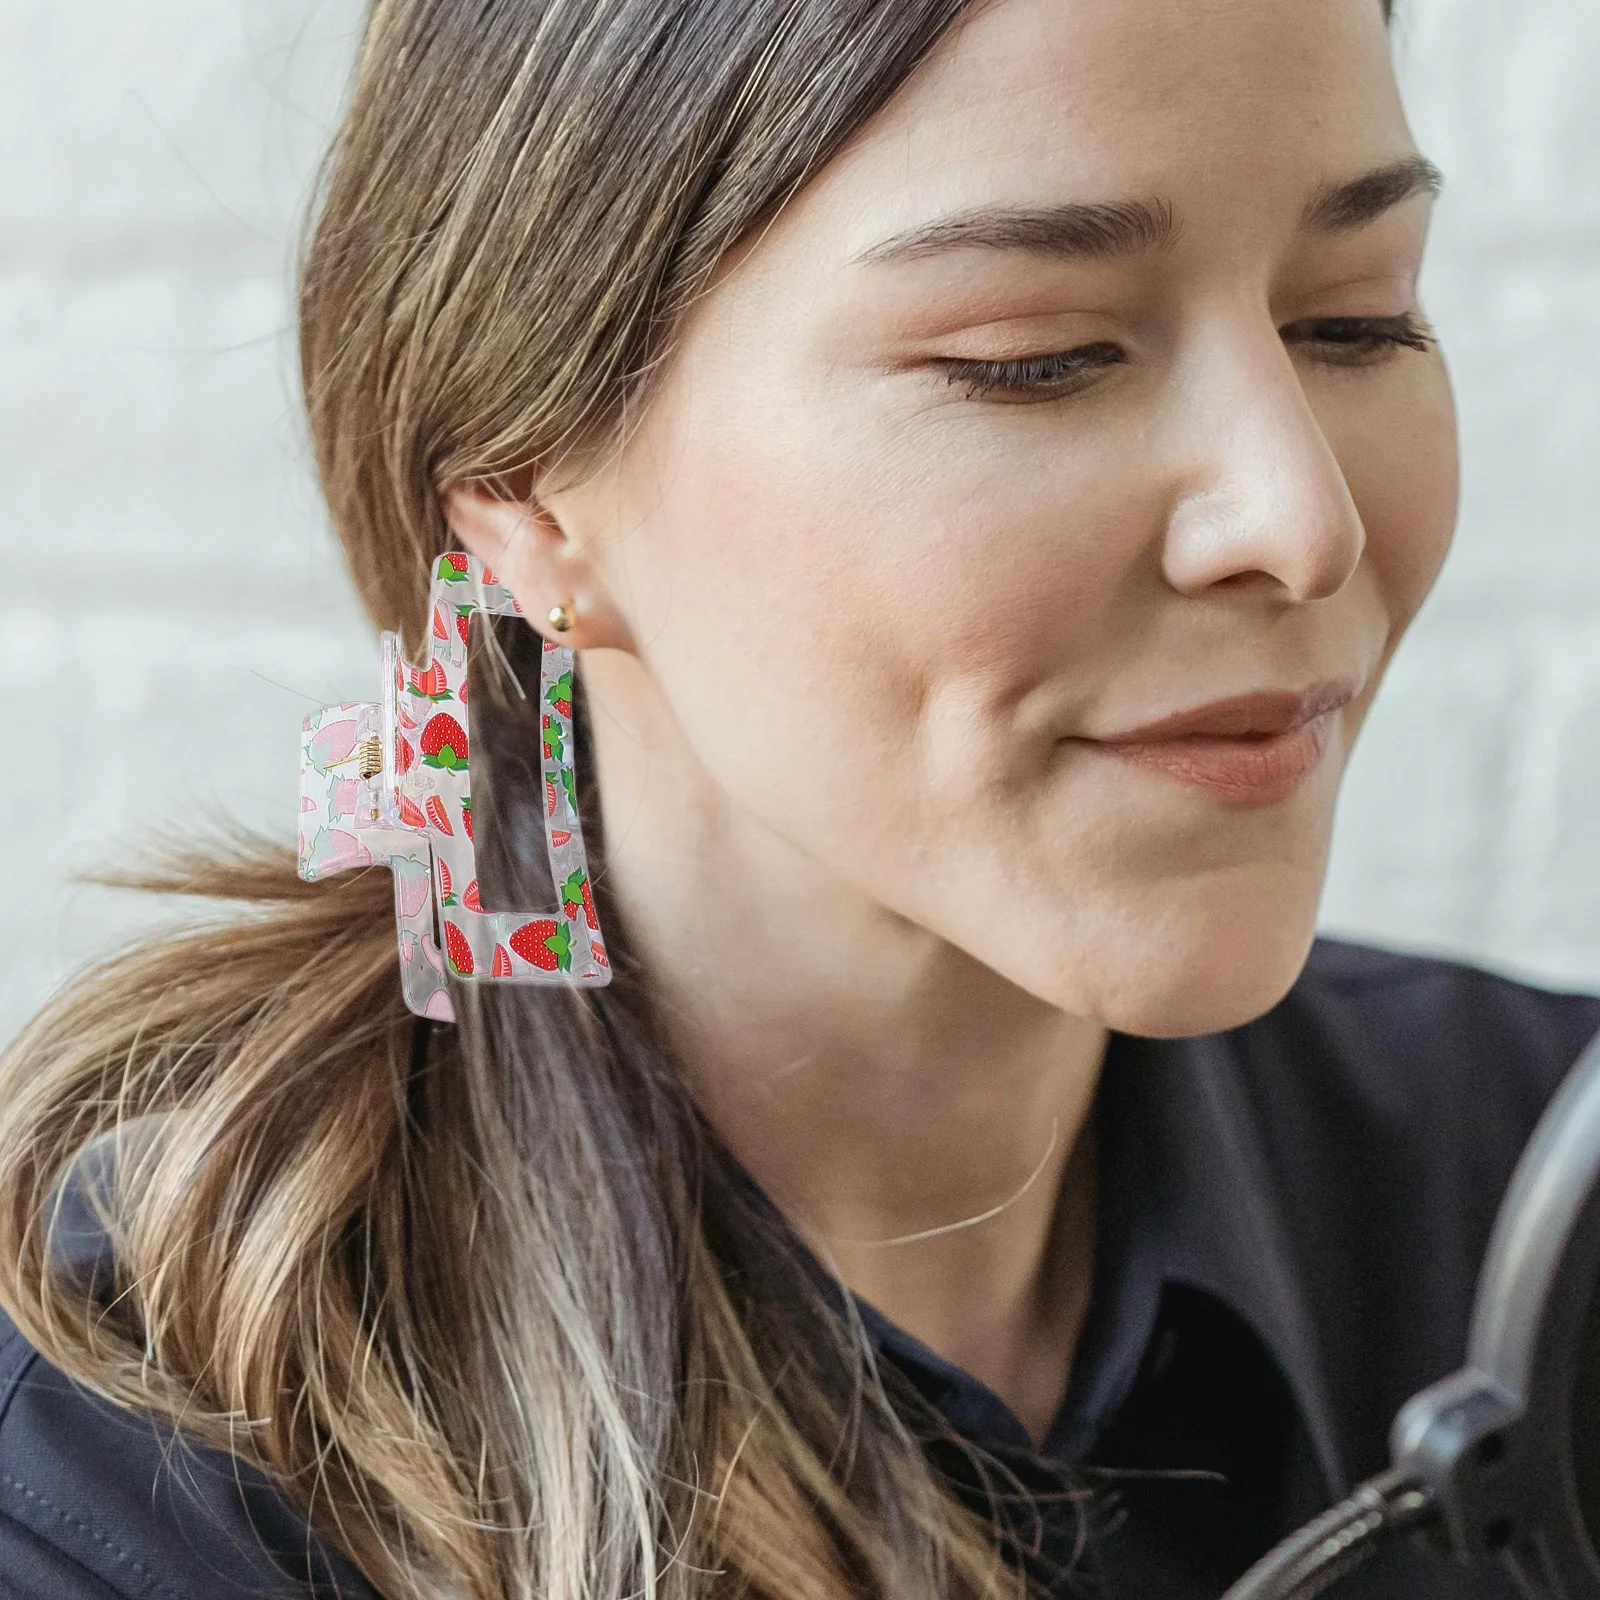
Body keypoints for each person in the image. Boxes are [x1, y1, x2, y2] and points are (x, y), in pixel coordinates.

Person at [0, 0, 1594, 1595]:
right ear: (525, 494)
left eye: (1355, 322)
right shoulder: (123, 1452)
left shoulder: (1548, 1190)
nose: (1302, 521)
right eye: (1033, 360)